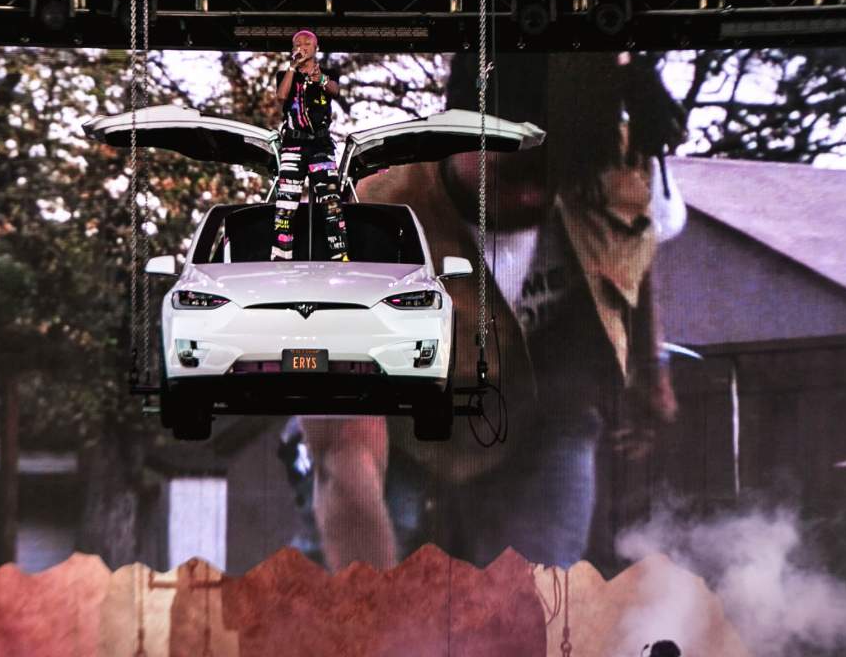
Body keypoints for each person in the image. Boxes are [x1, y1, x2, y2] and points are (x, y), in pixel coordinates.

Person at [292, 51, 686, 572]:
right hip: (400, 421)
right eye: (511, 172)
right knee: (352, 587)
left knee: (534, 601)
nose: (530, 196)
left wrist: (648, 369)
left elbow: (640, 250)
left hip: (538, 411)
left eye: (549, 178)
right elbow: (346, 457)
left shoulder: (617, 173)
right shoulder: (365, 228)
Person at [272, 29, 348, 262]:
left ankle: (339, 254)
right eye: (297, 43)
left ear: (316, 48)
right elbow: (281, 97)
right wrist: (293, 68)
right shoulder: (286, 74)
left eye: (307, 43)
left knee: (331, 202)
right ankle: (281, 257)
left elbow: (335, 91)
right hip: (293, 145)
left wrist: (320, 78)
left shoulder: (328, 73)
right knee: (286, 202)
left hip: (321, 145)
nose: (302, 46)